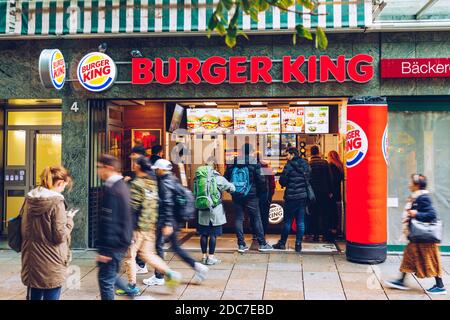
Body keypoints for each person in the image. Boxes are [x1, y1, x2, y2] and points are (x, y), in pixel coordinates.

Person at [118, 157, 182, 295]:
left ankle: (132, 285)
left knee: (130, 256)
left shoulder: (137, 184)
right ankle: (170, 273)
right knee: (148, 254)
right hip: (150, 226)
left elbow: (132, 207)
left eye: (135, 163)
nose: (133, 165)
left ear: (139, 167)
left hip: (137, 227)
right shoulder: (153, 183)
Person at [385, 174, 447, 295]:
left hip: (425, 240)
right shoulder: (416, 196)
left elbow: (432, 215)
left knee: (431, 261)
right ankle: (401, 281)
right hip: (417, 238)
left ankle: (440, 286)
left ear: (417, 185)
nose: (409, 184)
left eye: (411, 183)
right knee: (408, 259)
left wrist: (416, 214)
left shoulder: (423, 197)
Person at [150, 159, 209, 282]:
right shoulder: (173, 179)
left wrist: (167, 223)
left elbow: (167, 203)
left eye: (157, 169)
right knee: (175, 247)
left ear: (162, 169)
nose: (156, 171)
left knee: (159, 246)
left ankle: (159, 276)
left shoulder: (164, 182)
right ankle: (197, 266)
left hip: (168, 220)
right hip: (175, 219)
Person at [21, 166, 74, 300]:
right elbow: (59, 236)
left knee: (34, 293)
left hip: (31, 259)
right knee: (52, 291)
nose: (63, 189)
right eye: (64, 186)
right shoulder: (56, 202)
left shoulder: (30, 199)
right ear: (60, 182)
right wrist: (69, 221)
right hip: (51, 260)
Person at [96, 154, 138, 300]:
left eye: (99, 167)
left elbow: (109, 220)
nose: (98, 171)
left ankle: (132, 294)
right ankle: (131, 293)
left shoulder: (113, 189)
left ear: (109, 168)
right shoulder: (122, 186)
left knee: (106, 280)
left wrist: (105, 250)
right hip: (121, 240)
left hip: (113, 244)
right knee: (109, 275)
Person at [224, 143, 273, 253]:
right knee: (256, 218)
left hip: (236, 194)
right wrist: (262, 194)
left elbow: (225, 179)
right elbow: (261, 181)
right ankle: (262, 244)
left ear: (240, 151)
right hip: (252, 195)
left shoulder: (232, 162)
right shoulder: (254, 162)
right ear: (251, 152)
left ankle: (241, 244)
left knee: (238, 218)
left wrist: (231, 190)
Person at [194, 156, 236, 265]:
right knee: (213, 234)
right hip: (215, 210)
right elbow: (231, 188)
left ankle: (204, 256)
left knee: (203, 234)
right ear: (215, 166)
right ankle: (211, 257)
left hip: (202, 208)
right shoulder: (218, 178)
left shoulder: (199, 177)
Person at [273, 148, 311, 252]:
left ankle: (282, 243)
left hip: (291, 197)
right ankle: (298, 244)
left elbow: (283, 181)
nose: (286, 157)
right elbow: (309, 178)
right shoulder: (305, 164)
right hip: (302, 196)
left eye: (288, 155)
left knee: (287, 222)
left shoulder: (289, 165)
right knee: (300, 221)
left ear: (293, 154)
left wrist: (283, 181)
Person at [124, 145, 148, 275]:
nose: (130, 157)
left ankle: (140, 265)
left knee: (135, 245)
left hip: (140, 215)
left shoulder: (142, 169)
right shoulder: (142, 169)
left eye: (132, 154)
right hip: (144, 215)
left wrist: (129, 180)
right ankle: (140, 264)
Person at [308, 145, 333, 242]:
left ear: (311, 152)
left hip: (313, 193)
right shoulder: (325, 163)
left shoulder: (309, 164)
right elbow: (330, 177)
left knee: (314, 214)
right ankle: (326, 234)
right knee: (325, 213)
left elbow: (308, 179)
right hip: (324, 192)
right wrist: (330, 191)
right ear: (318, 152)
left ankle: (315, 235)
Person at [328, 150, 344, 241]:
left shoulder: (331, 166)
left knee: (331, 210)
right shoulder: (340, 166)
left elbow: (330, 180)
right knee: (336, 210)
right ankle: (336, 228)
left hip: (332, 192)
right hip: (338, 191)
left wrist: (329, 191)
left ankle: (332, 229)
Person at [258, 156, 275, 236]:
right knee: (265, 214)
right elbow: (272, 184)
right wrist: (271, 194)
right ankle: (263, 232)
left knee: (256, 215)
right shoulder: (267, 169)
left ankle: (256, 233)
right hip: (266, 195)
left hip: (255, 196)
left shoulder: (254, 169)